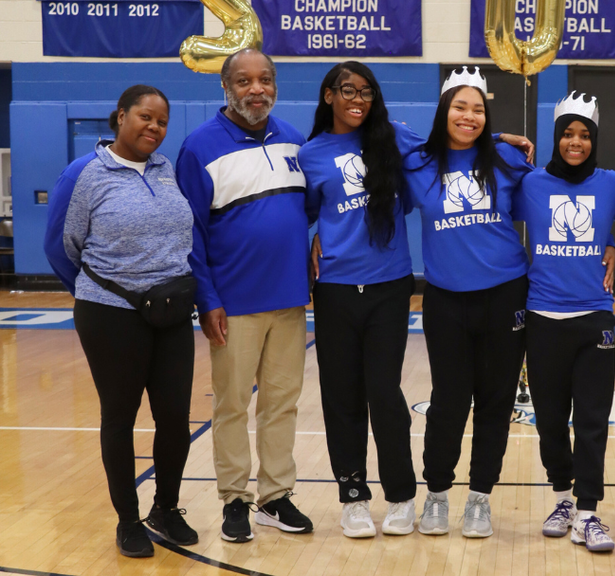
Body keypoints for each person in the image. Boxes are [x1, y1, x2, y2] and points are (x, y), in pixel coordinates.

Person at [44, 85, 198, 557]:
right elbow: (60, 246)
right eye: (145, 117)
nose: (154, 127)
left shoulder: (166, 169)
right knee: (121, 417)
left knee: (174, 417)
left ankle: (166, 509)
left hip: (170, 311)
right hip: (110, 313)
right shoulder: (86, 173)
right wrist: (97, 292)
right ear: (120, 117)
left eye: (162, 121)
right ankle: (128, 519)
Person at [175, 48, 313, 542]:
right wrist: (206, 298)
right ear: (226, 88)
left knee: (282, 403)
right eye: (245, 81)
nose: (257, 89)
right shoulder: (199, 147)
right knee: (232, 404)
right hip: (232, 305)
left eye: (266, 79)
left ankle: (275, 497)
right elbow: (188, 232)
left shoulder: (296, 141)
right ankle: (235, 498)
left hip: (291, 301)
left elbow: (317, 209)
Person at [403, 67, 533, 538]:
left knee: (496, 402)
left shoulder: (507, 160)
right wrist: (495, 132)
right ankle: (436, 493)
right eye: (460, 106)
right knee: (449, 401)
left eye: (479, 109)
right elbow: (384, 128)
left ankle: (480, 498)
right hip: (445, 299)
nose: (470, 116)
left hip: (505, 294)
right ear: (443, 110)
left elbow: (550, 195)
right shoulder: (418, 162)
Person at [299, 62, 422, 538]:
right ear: (328, 95)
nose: (358, 98)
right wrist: (314, 237)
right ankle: (352, 497)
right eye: (347, 89)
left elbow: (451, 145)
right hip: (334, 288)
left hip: (389, 285)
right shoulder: (311, 153)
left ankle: (401, 496)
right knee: (342, 396)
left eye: (366, 91)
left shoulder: (394, 137)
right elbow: (304, 213)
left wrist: (504, 140)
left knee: (384, 394)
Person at [517, 92, 615, 552]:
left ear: (594, 140)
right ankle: (561, 499)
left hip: (594, 316)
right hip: (542, 315)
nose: (575, 142)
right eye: (567, 134)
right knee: (552, 421)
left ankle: (588, 512)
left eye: (584, 135)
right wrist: (502, 136)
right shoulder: (530, 184)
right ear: (556, 138)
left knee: (594, 420)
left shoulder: (614, 183)